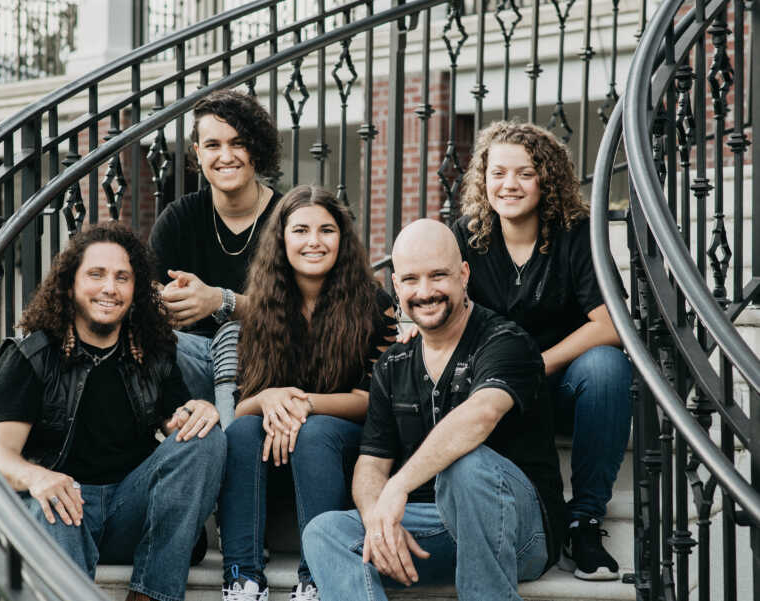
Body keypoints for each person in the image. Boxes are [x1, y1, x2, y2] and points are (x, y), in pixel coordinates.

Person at [302, 219, 565, 601]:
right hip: (433, 531)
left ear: (463, 275)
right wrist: (378, 519)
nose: (424, 292)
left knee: (465, 465)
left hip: (519, 531)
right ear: (395, 286)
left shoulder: (505, 341)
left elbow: (481, 415)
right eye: (410, 279)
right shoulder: (393, 365)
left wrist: (399, 486)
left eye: (438, 276)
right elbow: (372, 464)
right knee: (325, 532)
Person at [0, 223, 226, 601]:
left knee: (206, 436)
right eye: (96, 275)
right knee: (57, 506)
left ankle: (152, 594)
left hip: (130, 510)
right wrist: (37, 477)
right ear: (69, 284)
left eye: (122, 277)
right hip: (66, 510)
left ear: (135, 289)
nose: (110, 288)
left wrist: (196, 412)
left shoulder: (151, 350)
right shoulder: (31, 356)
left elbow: (176, 422)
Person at [452, 121, 631, 580]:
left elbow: (609, 325)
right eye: (498, 173)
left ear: (546, 179)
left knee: (607, 368)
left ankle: (584, 519)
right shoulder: (465, 236)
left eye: (525, 173)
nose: (509, 185)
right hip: (497, 387)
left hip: (566, 386)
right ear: (483, 179)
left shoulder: (574, 233)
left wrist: (537, 364)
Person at [217, 186, 397, 601]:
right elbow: (243, 404)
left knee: (314, 433)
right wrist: (268, 399)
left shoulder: (374, 303)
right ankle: (242, 578)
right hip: (275, 456)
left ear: (342, 239)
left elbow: (375, 398)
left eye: (326, 230)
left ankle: (315, 577)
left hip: (343, 451)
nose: (314, 241)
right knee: (242, 432)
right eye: (300, 230)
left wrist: (301, 403)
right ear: (281, 240)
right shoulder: (262, 307)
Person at [149, 89, 283, 428]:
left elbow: (302, 315)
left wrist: (220, 301)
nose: (226, 156)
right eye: (213, 145)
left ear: (256, 148)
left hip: (271, 361)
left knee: (233, 334)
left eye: (238, 143)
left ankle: (227, 432)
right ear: (198, 152)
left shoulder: (289, 218)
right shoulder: (179, 219)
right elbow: (148, 298)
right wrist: (167, 303)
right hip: (192, 362)